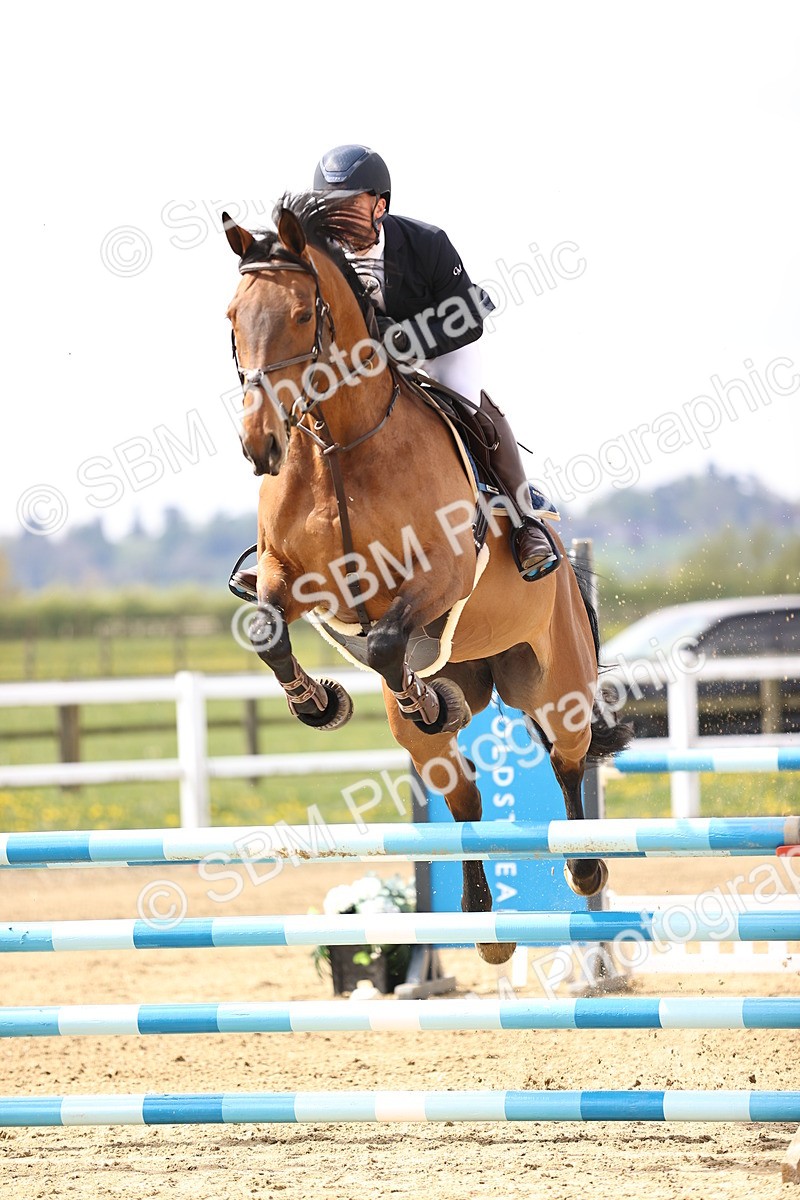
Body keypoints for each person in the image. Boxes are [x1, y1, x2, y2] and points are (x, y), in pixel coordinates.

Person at [311, 144, 560, 582]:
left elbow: (467, 319)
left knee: (470, 410)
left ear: (379, 206)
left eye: (350, 208)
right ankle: (286, 542)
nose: (339, 221)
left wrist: (406, 339)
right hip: (364, 364)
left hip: (440, 349)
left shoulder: (426, 244)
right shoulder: (319, 259)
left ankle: (524, 523)